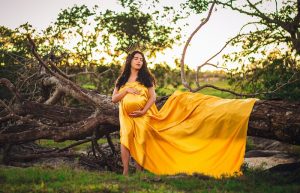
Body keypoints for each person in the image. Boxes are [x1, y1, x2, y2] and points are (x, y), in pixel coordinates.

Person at [112, 50, 257, 178]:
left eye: (141, 59)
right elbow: (114, 99)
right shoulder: (122, 80)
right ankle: (125, 171)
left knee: (141, 140)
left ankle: (139, 171)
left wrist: (143, 110)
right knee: (125, 139)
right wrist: (126, 91)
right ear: (130, 61)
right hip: (125, 115)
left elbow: (153, 97)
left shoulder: (145, 79)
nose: (139, 61)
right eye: (136, 58)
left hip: (143, 115)